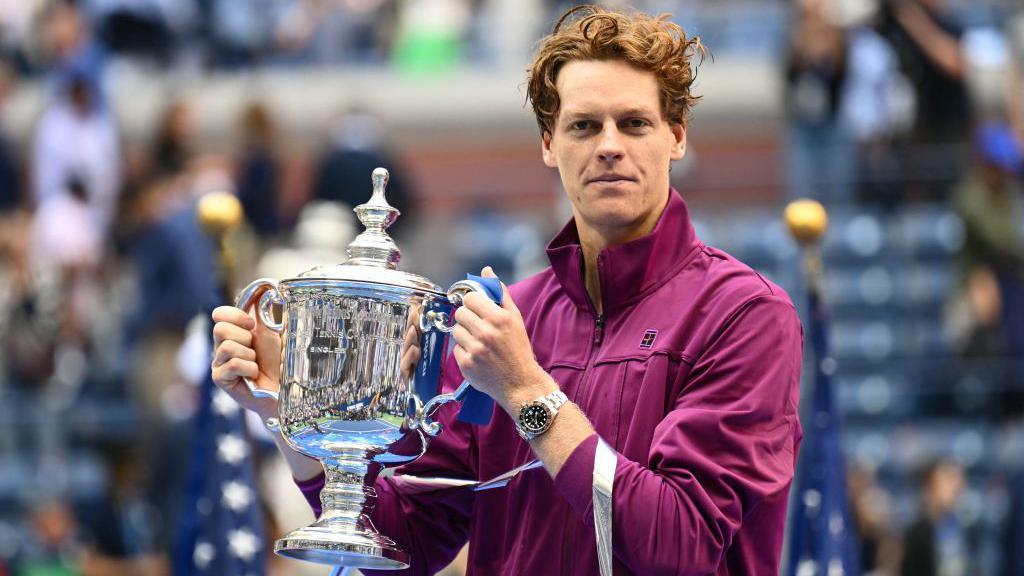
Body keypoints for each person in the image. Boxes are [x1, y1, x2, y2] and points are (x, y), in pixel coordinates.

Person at [211, 5, 804, 575]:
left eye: (635, 123)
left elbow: (681, 542)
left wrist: (525, 391)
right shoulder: (509, 319)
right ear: (549, 145)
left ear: (676, 136)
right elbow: (407, 545)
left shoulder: (744, 315)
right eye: (582, 125)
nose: (609, 145)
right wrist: (288, 416)